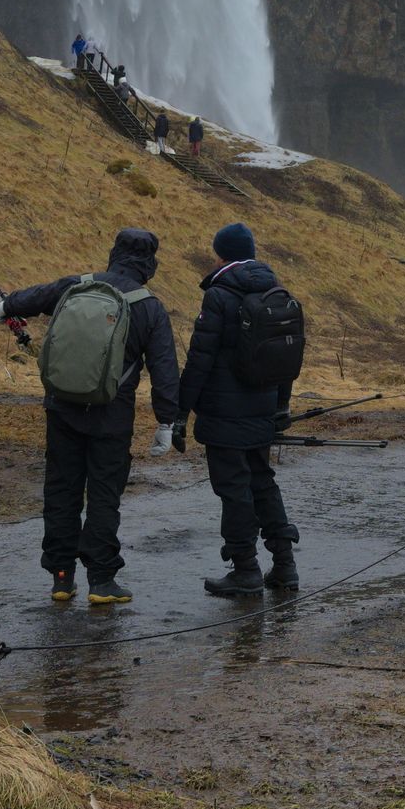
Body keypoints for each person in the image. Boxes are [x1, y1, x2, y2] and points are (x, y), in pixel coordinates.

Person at [0, 228, 182, 609]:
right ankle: (102, 579)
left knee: (61, 490)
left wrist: (5, 307)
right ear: (149, 264)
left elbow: (34, 297)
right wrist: (166, 423)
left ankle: (61, 578)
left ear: (113, 254)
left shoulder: (76, 286)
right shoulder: (149, 307)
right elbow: (165, 371)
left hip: (62, 407)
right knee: (103, 495)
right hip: (112, 417)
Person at [175, 222, 306, 596]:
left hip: (223, 414)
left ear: (222, 254)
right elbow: (287, 356)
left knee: (234, 490)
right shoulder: (276, 290)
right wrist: (281, 405)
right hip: (263, 410)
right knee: (263, 482)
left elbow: (199, 359)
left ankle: (245, 569)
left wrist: (181, 412)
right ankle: (285, 567)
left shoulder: (218, 296)